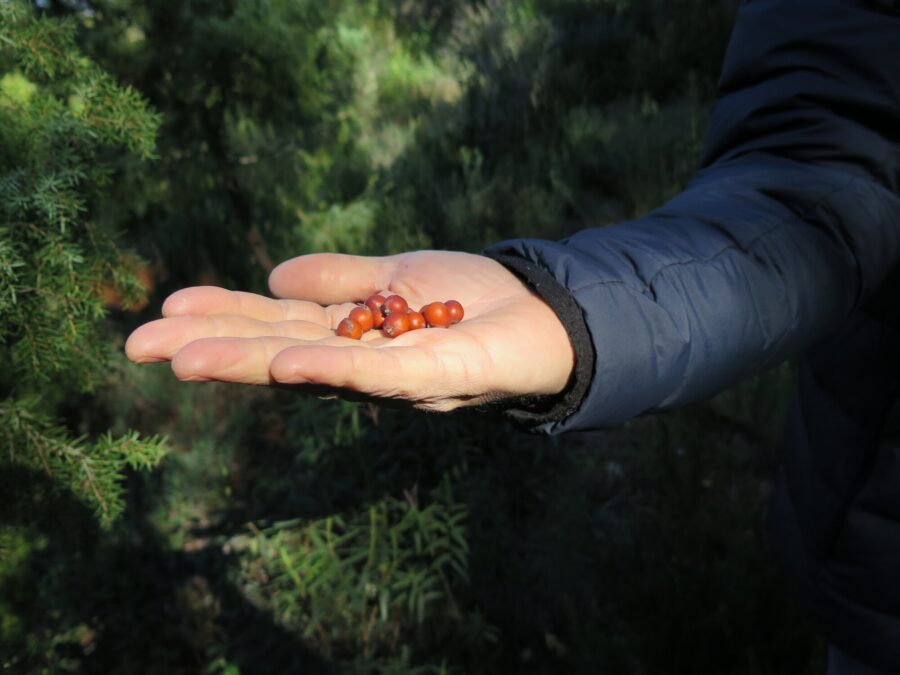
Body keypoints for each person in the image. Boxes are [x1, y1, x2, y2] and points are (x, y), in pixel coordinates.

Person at [125, 0, 900, 671]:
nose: (384, 319)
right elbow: (822, 172)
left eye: (384, 317)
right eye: (385, 319)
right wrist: (574, 305)